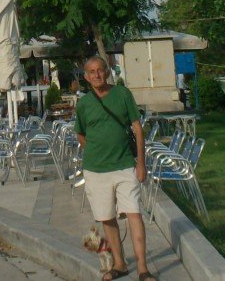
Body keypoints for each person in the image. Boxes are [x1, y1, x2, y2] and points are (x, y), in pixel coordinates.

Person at [74, 56, 155, 281]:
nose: (97, 75)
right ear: (86, 77)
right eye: (92, 72)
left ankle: (143, 268)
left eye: (100, 70)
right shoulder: (84, 104)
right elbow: (80, 134)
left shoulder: (122, 94)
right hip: (96, 170)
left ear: (107, 71)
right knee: (106, 217)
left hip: (124, 165)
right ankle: (119, 264)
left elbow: (137, 129)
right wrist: (96, 152)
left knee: (134, 213)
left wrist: (141, 163)